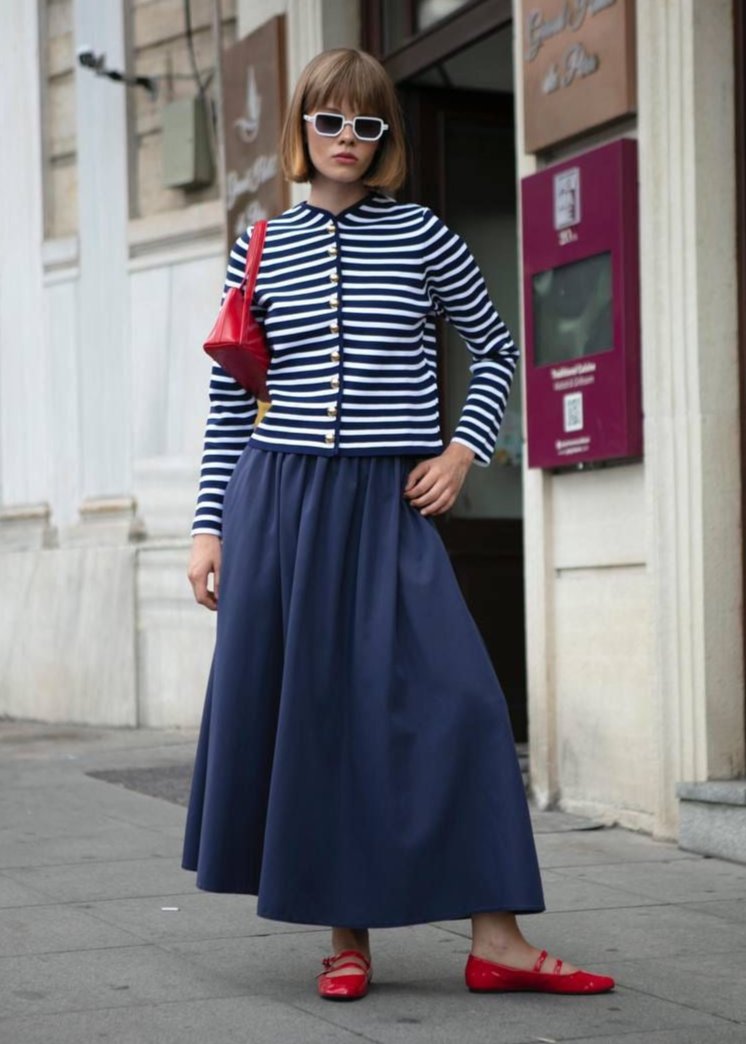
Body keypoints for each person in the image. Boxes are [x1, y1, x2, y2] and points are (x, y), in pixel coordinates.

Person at [183, 47, 615, 1002]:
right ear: (300, 127)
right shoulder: (258, 246)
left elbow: (499, 349)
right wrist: (209, 528)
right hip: (284, 503)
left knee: (463, 702)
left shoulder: (425, 236)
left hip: (388, 503)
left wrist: (463, 450)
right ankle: (347, 941)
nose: (346, 139)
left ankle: (496, 940)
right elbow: (228, 402)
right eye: (329, 120)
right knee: (320, 717)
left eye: (367, 124)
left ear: (386, 139)